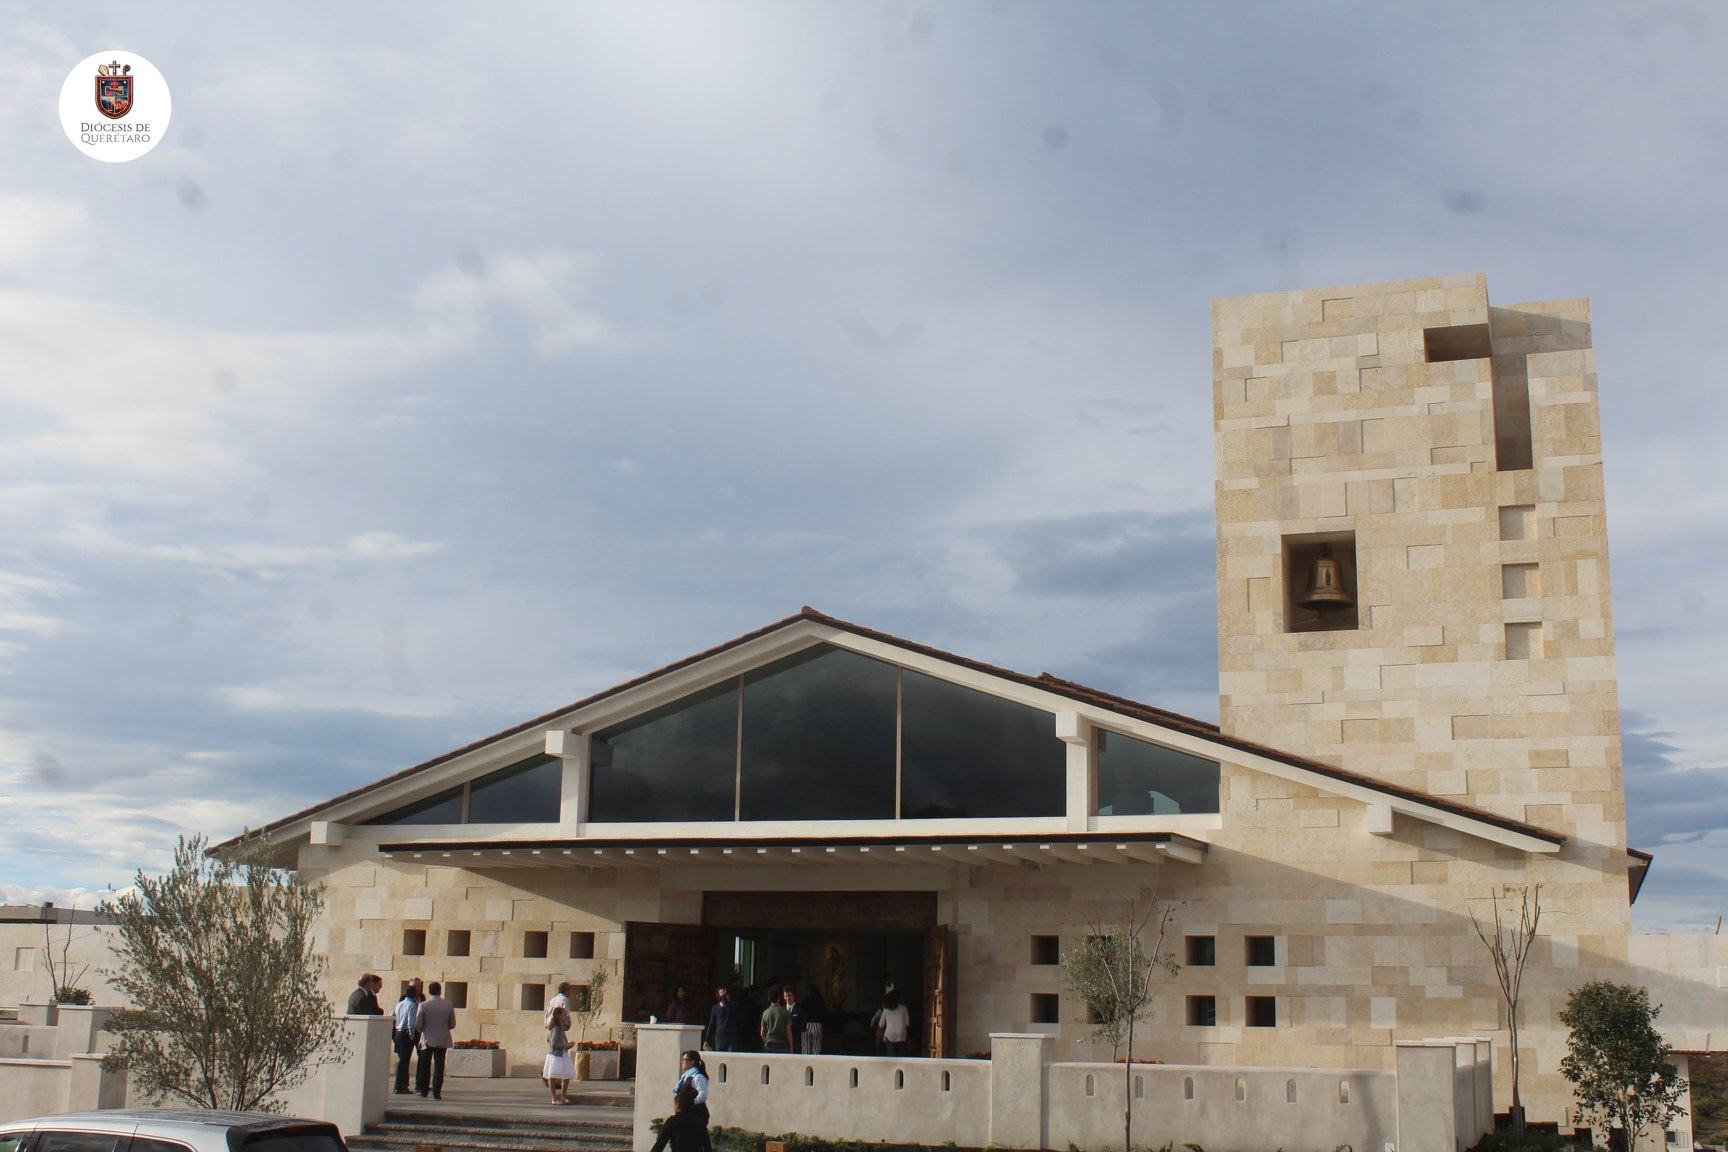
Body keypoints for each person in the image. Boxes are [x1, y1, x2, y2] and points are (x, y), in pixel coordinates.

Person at [415, 981, 457, 1100]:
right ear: (440, 991)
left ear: (429, 991)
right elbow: (452, 1024)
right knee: (439, 1066)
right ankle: (436, 1091)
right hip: (442, 1039)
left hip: (427, 1039)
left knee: (425, 1065)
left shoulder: (423, 1005)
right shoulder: (448, 1005)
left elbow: (418, 1024)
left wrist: (424, 1030)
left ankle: (423, 1090)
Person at [649, 1085, 712, 1152]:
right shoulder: (700, 1123)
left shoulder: (672, 1121)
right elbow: (707, 1147)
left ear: (678, 1104)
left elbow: (659, 1146)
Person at [391, 982, 423, 1095]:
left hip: (398, 1033)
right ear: (415, 995)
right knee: (404, 1062)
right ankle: (399, 1086)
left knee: (402, 1060)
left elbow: (392, 1017)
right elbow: (411, 1023)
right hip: (405, 1034)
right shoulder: (412, 1005)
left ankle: (402, 1085)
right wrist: (412, 1036)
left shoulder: (399, 1004)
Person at [544, 1004, 574, 1104]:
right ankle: (554, 1098)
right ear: (559, 1016)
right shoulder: (556, 1028)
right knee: (553, 1077)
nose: (566, 1016)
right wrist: (566, 1046)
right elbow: (554, 1044)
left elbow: (565, 1028)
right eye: (564, 1014)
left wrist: (569, 1023)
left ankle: (562, 1096)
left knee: (566, 1075)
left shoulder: (559, 1027)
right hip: (556, 1055)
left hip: (561, 1054)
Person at [673, 1049, 710, 1127]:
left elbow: (703, 1096)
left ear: (692, 1062)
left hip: (696, 1114)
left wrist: (689, 1103)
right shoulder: (685, 1076)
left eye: (685, 1060)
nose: (682, 1062)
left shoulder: (698, 1077)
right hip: (686, 1114)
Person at [874, 989, 910, 1056]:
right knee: (901, 1056)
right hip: (901, 1034)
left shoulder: (886, 1009)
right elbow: (907, 1023)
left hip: (890, 1034)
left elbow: (881, 1024)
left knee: (891, 1056)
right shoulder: (904, 1008)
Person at [759, 984, 792, 1052]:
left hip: (769, 1044)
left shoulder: (765, 1013)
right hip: (782, 1044)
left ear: (769, 999)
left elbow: (762, 1033)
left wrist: (766, 1040)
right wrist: (791, 1048)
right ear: (779, 998)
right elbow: (789, 1031)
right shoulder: (785, 1012)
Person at [702, 986, 732, 1052]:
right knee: (720, 1056)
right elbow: (712, 1024)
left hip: (731, 1037)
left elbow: (729, 1010)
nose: (728, 996)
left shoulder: (733, 1006)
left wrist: (724, 998)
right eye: (725, 995)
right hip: (720, 1037)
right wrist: (707, 1039)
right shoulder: (715, 1008)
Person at [800, 984, 827, 1055]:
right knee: (816, 1048)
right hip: (817, 1025)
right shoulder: (821, 1002)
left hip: (806, 1025)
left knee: (806, 1048)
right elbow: (824, 1015)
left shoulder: (804, 1003)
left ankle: (806, 1065)